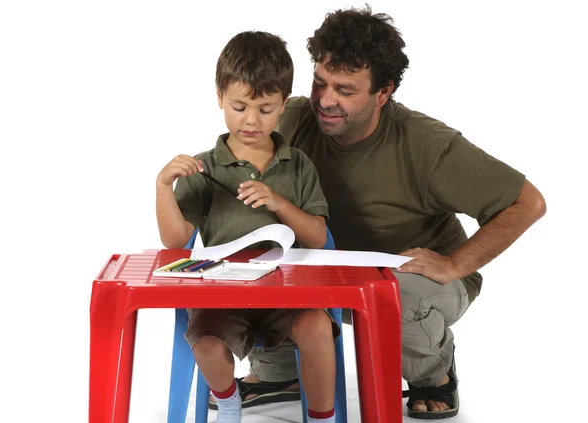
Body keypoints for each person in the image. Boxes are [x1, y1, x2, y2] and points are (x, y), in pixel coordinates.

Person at [208, 6, 547, 420]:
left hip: (416, 275)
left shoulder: (427, 145)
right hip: (329, 269)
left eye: (346, 91)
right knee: (272, 255)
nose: (326, 101)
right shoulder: (292, 119)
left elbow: (528, 202)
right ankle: (280, 372)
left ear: (382, 93)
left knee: (393, 288)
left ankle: (433, 375)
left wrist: (455, 263)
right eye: (320, 83)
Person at [156, 31, 340, 423]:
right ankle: (228, 401)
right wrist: (163, 187)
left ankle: (322, 417)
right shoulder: (205, 166)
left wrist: (278, 203)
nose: (251, 120)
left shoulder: (299, 165)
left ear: (283, 106)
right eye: (239, 107)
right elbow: (174, 242)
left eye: (266, 109)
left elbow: (318, 239)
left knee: (318, 328)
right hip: (224, 295)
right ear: (220, 98)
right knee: (204, 344)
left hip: (290, 293)